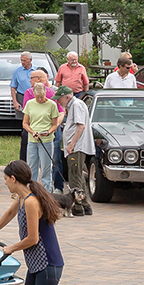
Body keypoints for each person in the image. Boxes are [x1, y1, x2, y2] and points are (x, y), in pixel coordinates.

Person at [59, 86, 94, 216]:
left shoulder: (76, 105)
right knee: (77, 174)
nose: (58, 101)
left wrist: (71, 145)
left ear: (67, 97)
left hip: (77, 148)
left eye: (60, 99)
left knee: (75, 176)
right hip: (75, 147)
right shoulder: (73, 105)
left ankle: (77, 207)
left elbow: (81, 126)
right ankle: (85, 205)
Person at [22, 78, 62, 188]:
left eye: (42, 96)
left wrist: (48, 132)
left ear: (45, 93)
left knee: (46, 168)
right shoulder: (30, 104)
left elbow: (55, 125)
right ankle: (32, 190)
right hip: (32, 139)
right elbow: (25, 123)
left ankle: (47, 192)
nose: (39, 99)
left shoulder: (51, 105)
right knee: (32, 168)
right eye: (37, 97)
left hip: (46, 140)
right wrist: (32, 132)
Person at [10, 51, 35, 161]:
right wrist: (15, 101)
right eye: (21, 60)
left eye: (24, 60)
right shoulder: (17, 71)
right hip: (22, 96)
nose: (22, 62)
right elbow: (13, 87)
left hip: (35, 97)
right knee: (24, 122)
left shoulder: (37, 70)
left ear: (30, 60)